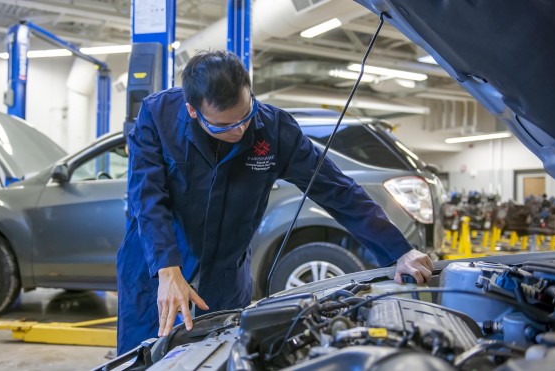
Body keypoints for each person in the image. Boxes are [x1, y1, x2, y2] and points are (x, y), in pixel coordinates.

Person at [116, 50, 434, 354]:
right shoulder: (157, 116)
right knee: (145, 359)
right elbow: (147, 198)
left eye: (245, 116)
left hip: (224, 277)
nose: (240, 130)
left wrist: (399, 251)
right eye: (223, 126)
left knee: (222, 358)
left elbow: (338, 191)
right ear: (192, 110)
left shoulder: (275, 131)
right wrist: (167, 271)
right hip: (156, 271)